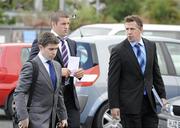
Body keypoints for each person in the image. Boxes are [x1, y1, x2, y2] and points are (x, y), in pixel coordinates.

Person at [108, 15, 168, 128]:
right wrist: (114, 105)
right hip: (129, 105)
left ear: (141, 29)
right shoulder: (118, 51)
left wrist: (162, 96)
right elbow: (112, 81)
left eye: (132, 29)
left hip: (149, 103)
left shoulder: (151, 46)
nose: (129, 32)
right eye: (127, 29)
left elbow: (155, 73)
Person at [29, 10, 84, 128]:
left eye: (68, 24)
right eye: (63, 24)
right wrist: (59, 71)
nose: (67, 27)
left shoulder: (72, 43)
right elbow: (33, 66)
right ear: (53, 24)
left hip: (70, 95)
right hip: (50, 97)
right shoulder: (41, 40)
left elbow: (72, 66)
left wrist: (79, 72)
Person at [14, 32, 68, 128]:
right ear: (40, 47)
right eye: (51, 49)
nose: (54, 52)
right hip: (34, 120)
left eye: (56, 49)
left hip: (52, 120)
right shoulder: (31, 66)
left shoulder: (57, 65)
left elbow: (58, 93)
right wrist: (23, 117)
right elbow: (19, 92)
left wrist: (63, 116)